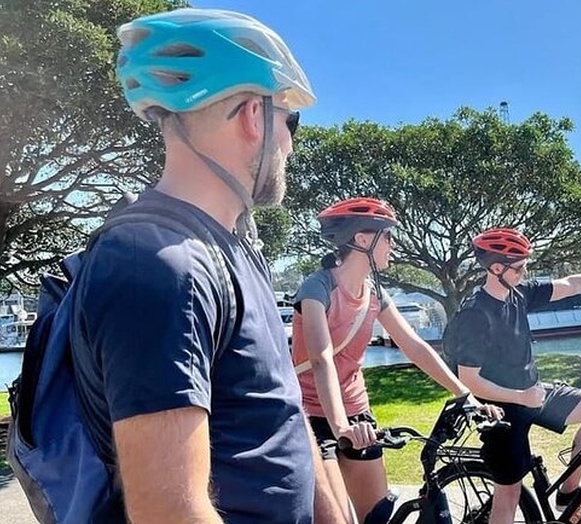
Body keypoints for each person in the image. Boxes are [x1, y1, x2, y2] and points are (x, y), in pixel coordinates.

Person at [70, 8, 346, 523]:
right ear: (252, 115)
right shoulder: (156, 266)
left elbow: (279, 405)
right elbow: (170, 511)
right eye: (291, 120)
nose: (289, 142)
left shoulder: (237, 249)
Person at [291, 197, 502, 524]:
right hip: (313, 418)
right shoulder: (317, 287)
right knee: (333, 519)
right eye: (387, 236)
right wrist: (341, 428)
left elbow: (414, 347)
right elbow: (321, 360)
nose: (393, 244)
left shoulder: (374, 292)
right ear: (362, 239)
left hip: (357, 411)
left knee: (378, 515)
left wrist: (465, 394)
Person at [446, 228, 581, 524]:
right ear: (496, 268)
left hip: (533, 393)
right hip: (502, 410)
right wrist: (519, 397)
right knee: (508, 498)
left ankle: (569, 494)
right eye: (519, 267)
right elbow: (468, 378)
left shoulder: (519, 294)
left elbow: (569, 284)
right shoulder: (475, 314)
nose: (525, 271)